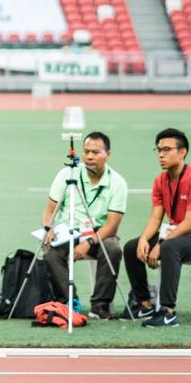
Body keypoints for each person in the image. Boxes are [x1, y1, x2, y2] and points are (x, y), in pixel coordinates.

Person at [122, 128, 191, 327]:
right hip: (176, 234)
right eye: (158, 150)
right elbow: (155, 218)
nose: (161, 154)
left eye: (167, 149)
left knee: (169, 247)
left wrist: (161, 243)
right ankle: (144, 304)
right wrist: (144, 239)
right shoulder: (160, 180)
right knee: (132, 247)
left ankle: (168, 312)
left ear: (182, 152)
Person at [39, 131, 127, 320]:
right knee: (51, 253)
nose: (89, 156)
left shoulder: (117, 183)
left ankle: (100, 305)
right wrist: (49, 228)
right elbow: (49, 211)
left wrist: (88, 242)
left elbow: (111, 226)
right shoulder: (67, 173)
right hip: (67, 232)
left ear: (107, 155)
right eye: (86, 151)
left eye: (96, 152)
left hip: (99, 234)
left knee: (112, 248)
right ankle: (69, 302)